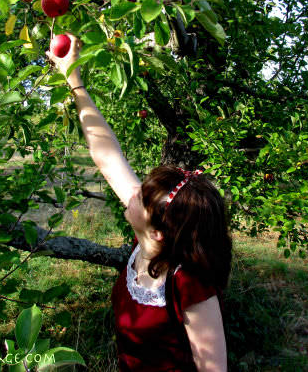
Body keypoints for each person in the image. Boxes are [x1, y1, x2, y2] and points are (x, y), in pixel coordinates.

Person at [46, 33, 232, 372]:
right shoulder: (148, 242)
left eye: (142, 197)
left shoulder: (189, 284)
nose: (133, 192)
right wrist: (73, 78)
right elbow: (106, 155)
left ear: (160, 231)